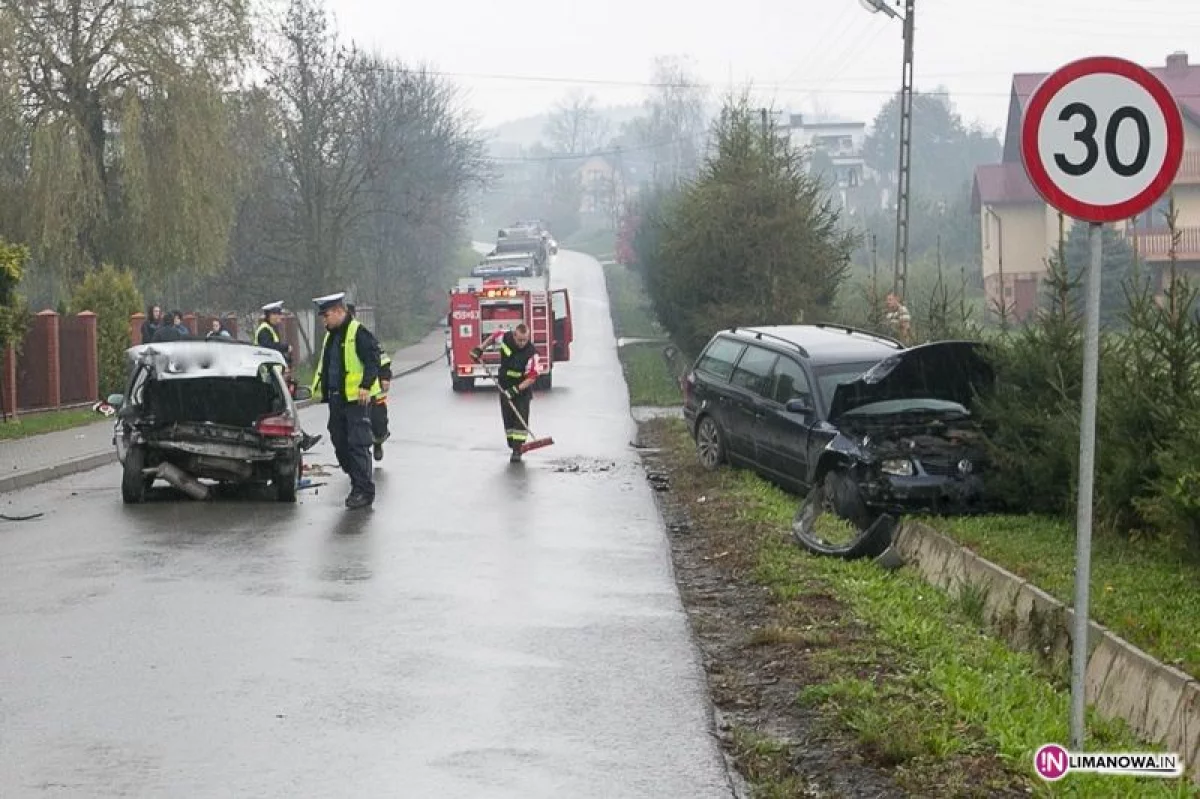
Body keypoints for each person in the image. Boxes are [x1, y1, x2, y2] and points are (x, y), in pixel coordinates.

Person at [310, 292, 382, 509]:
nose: (324, 320)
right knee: (340, 443)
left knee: (357, 445)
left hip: (356, 401)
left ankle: (363, 490)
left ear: (340, 311)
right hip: (336, 400)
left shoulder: (357, 332)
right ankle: (357, 482)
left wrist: (366, 386)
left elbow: (373, 358)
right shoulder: (331, 335)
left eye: (327, 315)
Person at [470, 322, 540, 462]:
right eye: (519, 339)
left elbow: (532, 377)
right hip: (504, 386)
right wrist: (480, 348)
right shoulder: (505, 337)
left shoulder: (532, 353)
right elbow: (493, 337)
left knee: (520, 418)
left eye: (525, 340)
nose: (522, 343)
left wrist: (516, 390)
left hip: (521, 390)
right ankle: (511, 443)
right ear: (514, 335)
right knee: (508, 418)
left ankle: (517, 450)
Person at [256, 301, 320, 451]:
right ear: (269, 315)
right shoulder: (264, 330)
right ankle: (301, 439)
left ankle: (302, 439)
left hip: (275, 375)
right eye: (277, 314)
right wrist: (285, 347)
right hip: (268, 376)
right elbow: (268, 348)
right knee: (284, 410)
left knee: (283, 410)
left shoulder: (270, 329)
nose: (280, 317)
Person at [347, 304, 391, 461]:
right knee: (354, 430)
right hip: (350, 394)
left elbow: (380, 357)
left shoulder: (361, 334)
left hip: (371, 389)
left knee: (378, 421)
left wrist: (385, 376)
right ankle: (359, 458)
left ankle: (378, 442)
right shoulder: (334, 338)